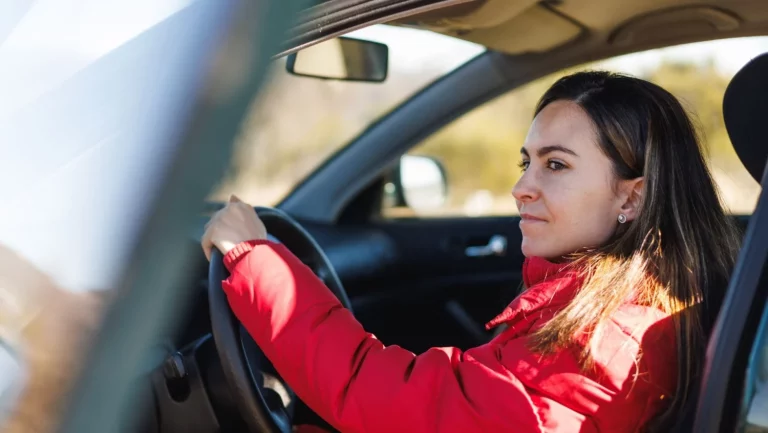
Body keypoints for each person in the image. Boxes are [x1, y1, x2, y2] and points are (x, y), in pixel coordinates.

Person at [201, 71, 741, 432]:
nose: (522, 187)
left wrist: (254, 257)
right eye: (525, 162)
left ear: (632, 195)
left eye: (556, 165)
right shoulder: (640, 302)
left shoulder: (599, 342)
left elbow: (388, 402)